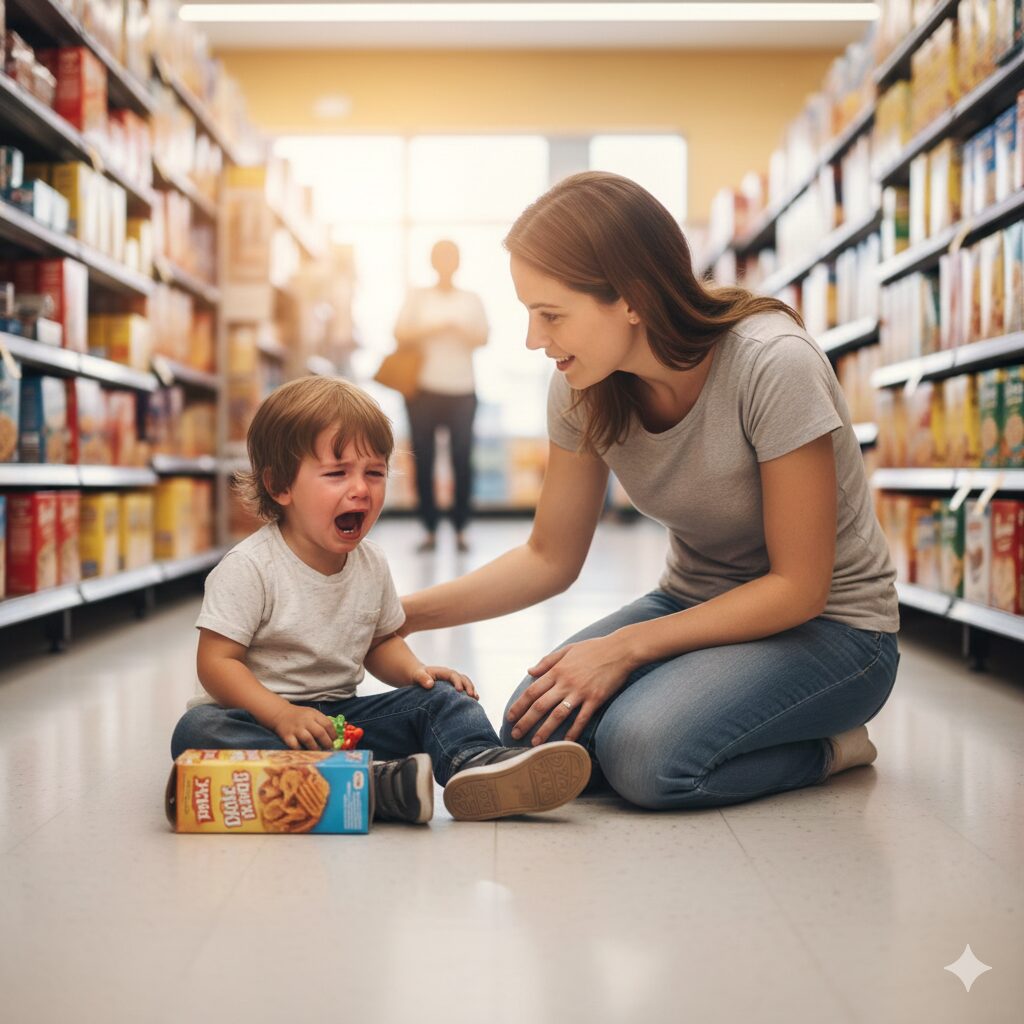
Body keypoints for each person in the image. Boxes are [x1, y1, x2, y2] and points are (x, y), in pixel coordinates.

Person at [400, 171, 900, 811]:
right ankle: (678, 722)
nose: (533, 339)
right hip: (693, 601)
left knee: (647, 757)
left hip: (834, 630)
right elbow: (549, 556)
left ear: (632, 298)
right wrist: (398, 615)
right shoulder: (582, 385)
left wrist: (624, 649)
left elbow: (799, 588)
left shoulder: (773, 363)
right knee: (530, 730)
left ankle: (831, 749)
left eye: (551, 314)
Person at [169, 375, 590, 824]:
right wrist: (280, 715)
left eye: (374, 472)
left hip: (339, 722)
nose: (361, 489)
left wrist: (415, 672)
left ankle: (478, 765)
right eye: (337, 473)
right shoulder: (251, 567)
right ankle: (374, 783)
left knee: (443, 699)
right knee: (198, 731)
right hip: (257, 718)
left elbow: (379, 641)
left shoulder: (371, 563)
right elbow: (216, 662)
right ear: (279, 486)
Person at [394, 240, 488, 553]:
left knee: (463, 459)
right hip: (422, 389)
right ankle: (430, 529)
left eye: (452, 257)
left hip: (462, 389)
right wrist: (434, 328)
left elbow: (484, 337)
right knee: (423, 459)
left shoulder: (471, 299)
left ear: (459, 262)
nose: (447, 262)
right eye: (441, 257)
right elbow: (399, 333)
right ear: (432, 261)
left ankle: (461, 528)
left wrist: (460, 330)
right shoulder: (418, 297)